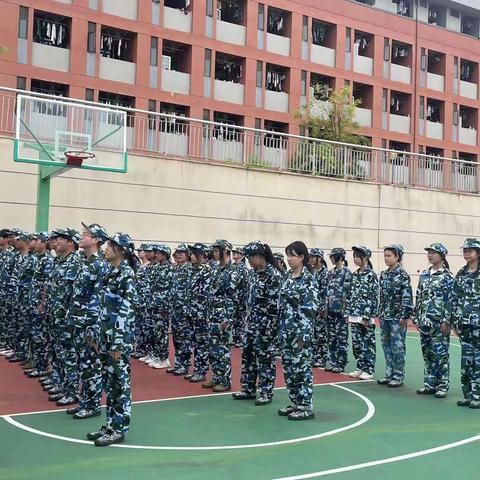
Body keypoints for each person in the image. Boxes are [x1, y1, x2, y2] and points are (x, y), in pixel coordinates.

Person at [87, 232, 137, 447]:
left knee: (120, 384)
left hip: (118, 340)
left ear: (122, 251)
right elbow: (103, 307)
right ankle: (110, 424)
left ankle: (120, 428)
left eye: (111, 246)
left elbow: (126, 311)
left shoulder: (127, 275)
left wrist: (117, 342)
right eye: (107, 244)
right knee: (109, 383)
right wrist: (95, 332)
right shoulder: (111, 273)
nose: (106, 248)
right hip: (106, 337)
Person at [66, 223, 110, 419]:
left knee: (91, 364)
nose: (82, 237)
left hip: (88, 323)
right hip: (78, 320)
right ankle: (85, 401)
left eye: (86, 235)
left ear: (96, 240)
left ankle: (92, 405)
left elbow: (99, 297)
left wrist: (93, 326)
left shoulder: (99, 264)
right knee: (83, 363)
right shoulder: (85, 261)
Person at [232, 241, 282, 405]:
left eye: (251, 257)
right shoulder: (253, 273)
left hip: (266, 327)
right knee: (248, 358)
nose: (249, 261)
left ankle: (266, 392)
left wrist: (270, 329)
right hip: (251, 324)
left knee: (266, 360)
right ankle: (248, 389)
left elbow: (276, 307)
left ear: (260, 256)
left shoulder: (273, 275)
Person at [278, 241, 319, 421]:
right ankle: (295, 402)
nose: (288, 259)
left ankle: (305, 406)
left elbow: (309, 309)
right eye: (287, 255)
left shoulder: (308, 279)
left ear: (302, 257)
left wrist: (303, 334)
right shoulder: (288, 276)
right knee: (289, 369)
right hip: (285, 331)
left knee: (301, 368)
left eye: (292, 255)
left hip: (299, 333)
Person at [413, 243, 454, 399]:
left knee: (441, 355)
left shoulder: (447, 276)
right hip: (424, 322)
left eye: (433, 253)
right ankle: (429, 383)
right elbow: (419, 296)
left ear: (442, 256)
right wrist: (416, 316)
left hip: (439, 323)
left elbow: (450, 301)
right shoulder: (424, 274)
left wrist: (446, 321)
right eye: (429, 253)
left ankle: (442, 385)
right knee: (427, 354)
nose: (430, 255)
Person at [48, 229, 83, 405]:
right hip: (57, 314)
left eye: (62, 239)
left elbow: (75, 294)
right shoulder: (60, 261)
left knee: (69, 355)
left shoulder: (75, 262)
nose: (57, 242)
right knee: (60, 352)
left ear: (71, 243)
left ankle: (73, 391)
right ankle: (63, 385)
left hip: (68, 317)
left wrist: (71, 316)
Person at [202, 239, 239, 392]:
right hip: (212, 314)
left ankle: (225, 380)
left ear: (226, 252)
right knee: (212, 348)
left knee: (222, 349)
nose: (214, 253)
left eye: (217, 251)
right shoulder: (216, 269)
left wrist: (227, 319)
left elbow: (232, 297)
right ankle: (217, 377)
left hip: (222, 314)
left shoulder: (232, 271)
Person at [377, 244, 413, 388]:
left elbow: (407, 296)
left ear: (397, 257)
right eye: (385, 255)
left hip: (397, 317)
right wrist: (380, 312)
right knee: (386, 345)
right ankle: (389, 373)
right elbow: (382, 296)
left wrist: (405, 315)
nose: (386, 258)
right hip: (385, 315)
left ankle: (398, 375)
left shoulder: (402, 275)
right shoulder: (384, 275)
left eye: (389, 255)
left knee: (397, 346)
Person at [451, 238, 480, 409]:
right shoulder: (461, 273)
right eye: (465, 250)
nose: (467, 253)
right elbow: (454, 298)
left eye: (470, 250)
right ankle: (468, 394)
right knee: (466, 360)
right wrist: (454, 321)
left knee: (478, 361)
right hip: (464, 324)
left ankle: (478, 395)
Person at [345, 246, 378, 381]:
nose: (356, 259)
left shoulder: (371, 276)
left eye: (358, 257)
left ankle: (368, 369)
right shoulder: (355, 275)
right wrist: (348, 313)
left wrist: (367, 315)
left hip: (365, 316)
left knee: (367, 343)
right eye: (354, 257)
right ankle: (360, 367)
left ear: (366, 258)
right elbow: (350, 295)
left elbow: (374, 297)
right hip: (354, 314)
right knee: (357, 343)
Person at [27, 232, 54, 378]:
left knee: (41, 336)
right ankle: (38, 364)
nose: (34, 242)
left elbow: (46, 285)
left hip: (40, 304)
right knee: (34, 335)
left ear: (44, 243)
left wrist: (42, 304)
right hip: (34, 302)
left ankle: (43, 367)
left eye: (37, 240)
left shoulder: (48, 260)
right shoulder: (39, 258)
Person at [185, 243, 212, 382]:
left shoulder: (207, 271)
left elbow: (206, 295)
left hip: (201, 313)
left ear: (201, 255)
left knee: (202, 344)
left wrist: (202, 313)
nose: (191, 256)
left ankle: (201, 371)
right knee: (195, 343)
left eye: (194, 253)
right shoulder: (193, 270)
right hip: (193, 312)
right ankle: (197, 369)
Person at [325, 247, 352, 373]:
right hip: (330, 310)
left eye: (334, 256)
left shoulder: (346, 272)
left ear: (341, 257)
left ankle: (340, 363)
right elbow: (327, 292)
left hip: (341, 311)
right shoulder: (330, 273)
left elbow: (348, 293)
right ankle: (332, 361)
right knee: (331, 338)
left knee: (341, 339)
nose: (331, 258)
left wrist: (346, 312)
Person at [167, 244, 193, 375]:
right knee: (176, 338)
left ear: (188, 254)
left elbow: (190, 290)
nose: (179, 254)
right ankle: (178, 363)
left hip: (183, 310)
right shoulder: (176, 269)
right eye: (177, 252)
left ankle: (184, 364)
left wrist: (186, 309)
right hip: (175, 309)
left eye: (182, 252)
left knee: (184, 339)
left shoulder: (189, 269)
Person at [148, 244, 173, 369]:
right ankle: (158, 355)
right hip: (154, 303)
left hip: (163, 305)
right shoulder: (156, 267)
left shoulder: (169, 268)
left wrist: (166, 304)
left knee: (161, 332)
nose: (156, 255)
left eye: (158, 253)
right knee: (155, 331)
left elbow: (170, 288)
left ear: (164, 255)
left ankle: (164, 358)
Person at [309, 248, 328, 368]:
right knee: (313, 334)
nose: (310, 259)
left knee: (321, 334)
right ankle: (314, 356)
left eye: (313, 257)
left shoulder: (324, 273)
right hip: (311, 308)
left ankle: (322, 357)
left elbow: (326, 293)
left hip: (320, 308)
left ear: (319, 258)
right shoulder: (310, 272)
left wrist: (324, 308)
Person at [232, 246, 249, 347]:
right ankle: (235, 338)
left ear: (242, 256)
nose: (234, 254)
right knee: (234, 319)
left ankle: (239, 339)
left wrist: (242, 298)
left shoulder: (244, 269)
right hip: (234, 298)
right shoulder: (233, 267)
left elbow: (245, 285)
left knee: (240, 319)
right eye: (234, 252)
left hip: (241, 298)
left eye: (237, 253)